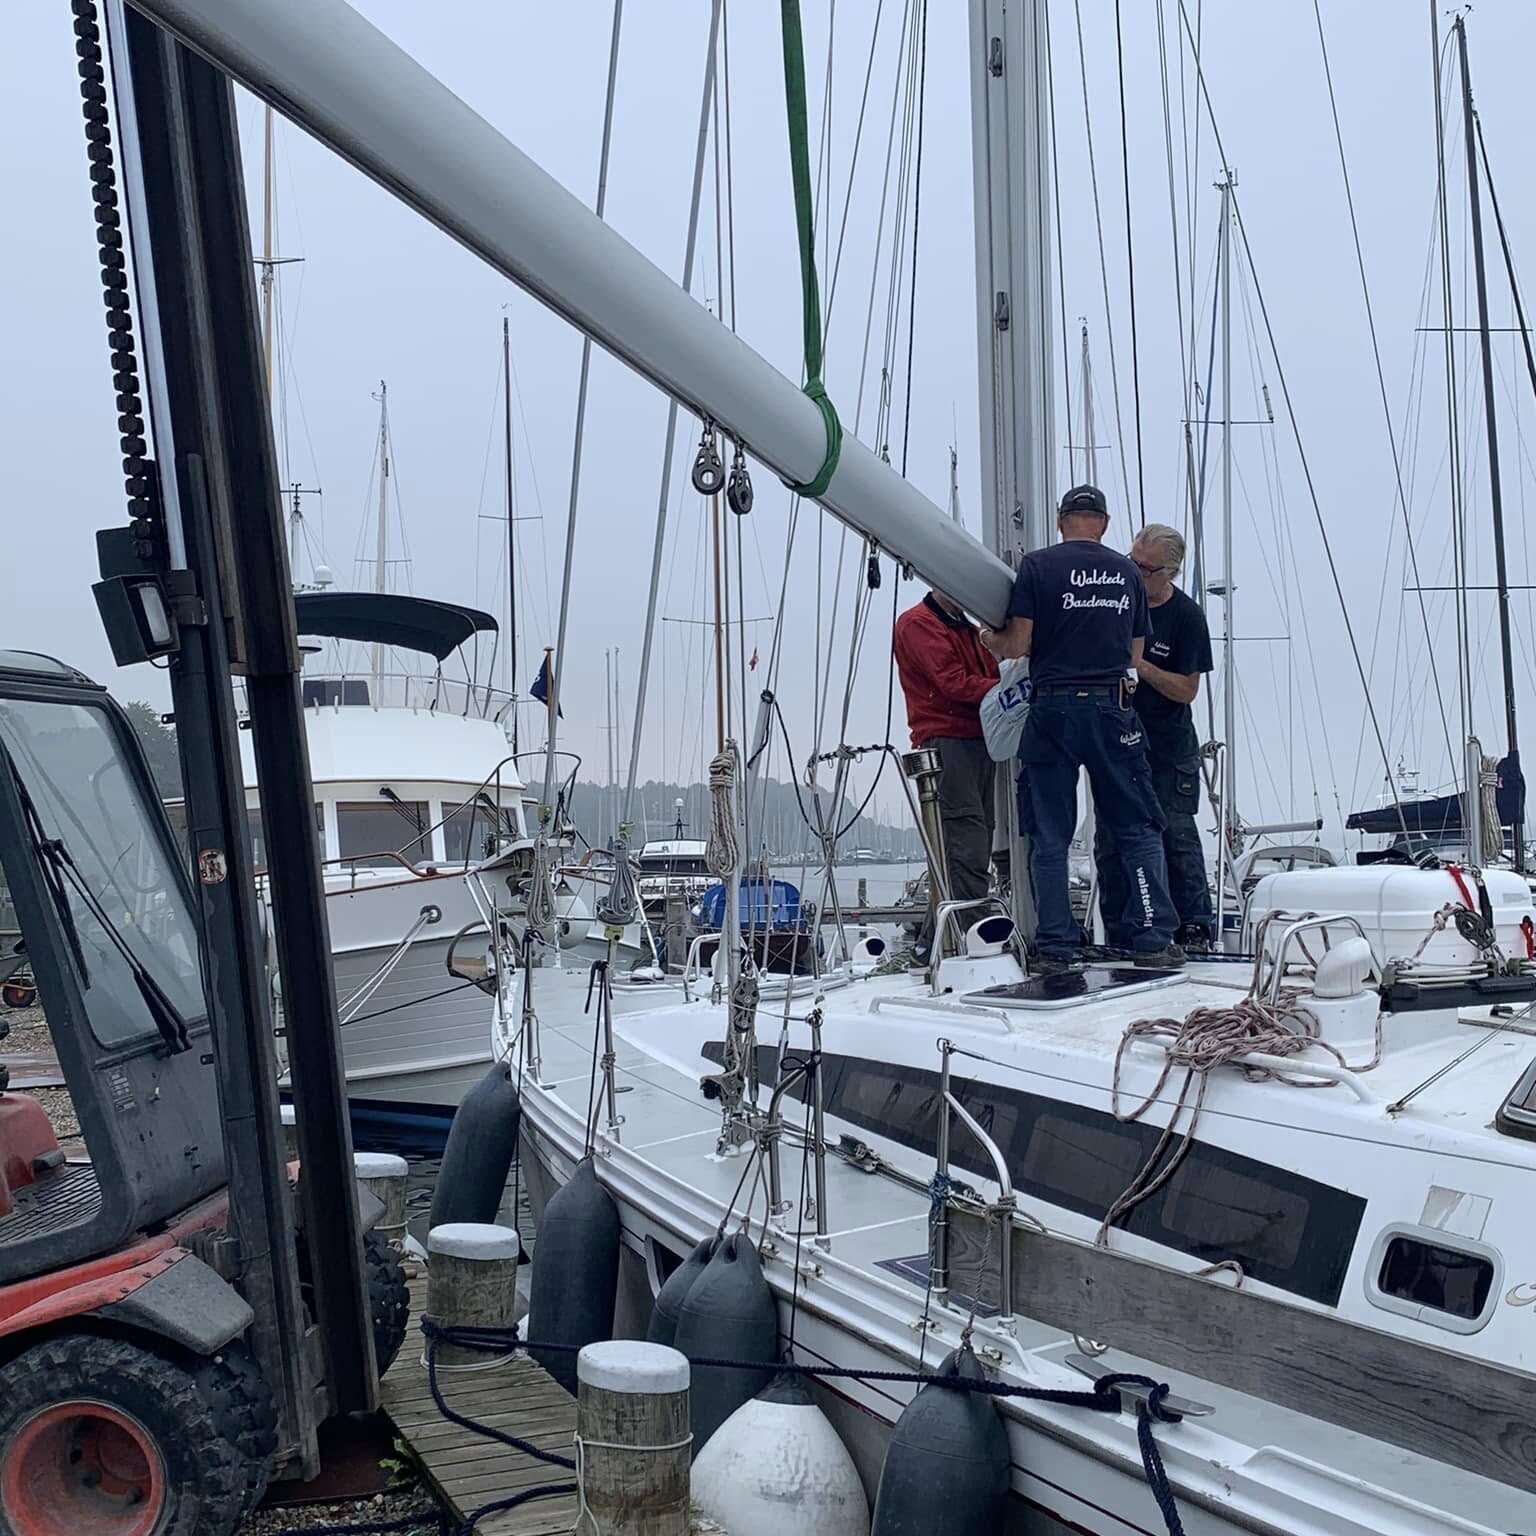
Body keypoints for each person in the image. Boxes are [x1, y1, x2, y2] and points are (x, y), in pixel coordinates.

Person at [980, 484, 1183, 972]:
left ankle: (1056, 944)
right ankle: (1152, 937)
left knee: (1050, 832)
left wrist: (989, 638)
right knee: (1136, 826)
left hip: (1052, 710)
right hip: (1112, 709)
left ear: (1060, 520)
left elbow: (1017, 645)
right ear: (1105, 524)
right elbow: (1134, 654)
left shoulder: (1037, 567)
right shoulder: (1126, 573)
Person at [1095, 524, 1215, 951]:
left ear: (1170, 573)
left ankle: (1195, 927)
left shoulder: (1186, 617)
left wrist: (1140, 666)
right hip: (1117, 744)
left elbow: (1187, 690)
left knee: (1176, 837)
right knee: (1111, 841)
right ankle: (1119, 931)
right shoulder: (1115, 606)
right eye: (1132, 564)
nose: (1137, 575)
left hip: (1168, 747)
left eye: (1146, 570)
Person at [893, 589, 1000, 954]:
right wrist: (1011, 687)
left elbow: (979, 675)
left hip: (979, 740)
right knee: (965, 842)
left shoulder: (969, 629)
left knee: (976, 838)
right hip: (947, 741)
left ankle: (931, 944)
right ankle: (968, 941)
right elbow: (952, 682)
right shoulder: (918, 624)